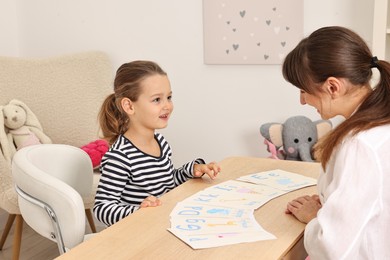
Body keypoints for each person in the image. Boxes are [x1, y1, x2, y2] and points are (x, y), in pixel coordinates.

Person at [282, 26, 390, 259]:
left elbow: (331, 248)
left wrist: (314, 219)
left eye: (303, 90)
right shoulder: (379, 125)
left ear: (332, 87)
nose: (302, 101)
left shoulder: (360, 145)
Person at [93, 60, 221, 226]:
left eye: (169, 97)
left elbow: (166, 183)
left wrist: (192, 170)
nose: (167, 105)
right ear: (129, 106)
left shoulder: (160, 142)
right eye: (156, 100)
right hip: (137, 233)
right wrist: (138, 210)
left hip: (161, 225)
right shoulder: (120, 157)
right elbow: (102, 208)